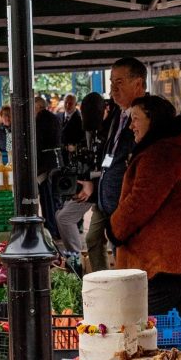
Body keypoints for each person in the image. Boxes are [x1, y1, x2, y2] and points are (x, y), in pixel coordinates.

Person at [108, 95, 181, 356]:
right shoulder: (166, 146)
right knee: (176, 315)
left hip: (171, 256)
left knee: (159, 317)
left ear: (153, 120)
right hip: (176, 252)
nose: (130, 126)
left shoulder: (161, 153)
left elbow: (140, 202)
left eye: (135, 119)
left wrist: (114, 230)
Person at [79, 57, 147, 273]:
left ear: (138, 84)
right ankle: (106, 282)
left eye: (119, 83)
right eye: (111, 83)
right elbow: (109, 151)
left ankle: (119, 288)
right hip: (105, 192)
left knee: (122, 249)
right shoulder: (118, 113)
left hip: (124, 198)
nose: (113, 90)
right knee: (93, 239)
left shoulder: (146, 113)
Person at [55, 92, 107, 258]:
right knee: (63, 217)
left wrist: (90, 179)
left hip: (100, 187)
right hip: (93, 185)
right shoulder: (94, 129)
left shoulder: (105, 131)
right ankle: (77, 259)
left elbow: (109, 165)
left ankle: (76, 259)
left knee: (65, 218)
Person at [35, 94, 62, 239]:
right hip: (56, 162)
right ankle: (57, 229)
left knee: (48, 199)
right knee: (55, 198)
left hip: (45, 166)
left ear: (37, 107)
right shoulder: (55, 118)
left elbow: (38, 143)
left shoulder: (40, 120)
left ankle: (52, 229)